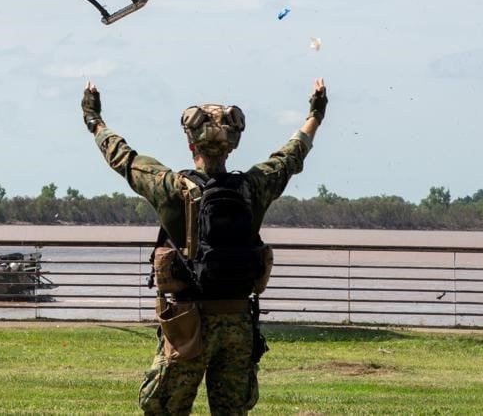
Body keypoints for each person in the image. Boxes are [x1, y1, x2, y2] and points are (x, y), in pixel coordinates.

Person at [81, 78, 328, 415]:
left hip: (188, 324)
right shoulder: (253, 187)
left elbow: (122, 157)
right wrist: (315, 114)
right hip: (238, 325)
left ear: (190, 145)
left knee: (165, 409)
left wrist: (93, 118)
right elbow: (291, 154)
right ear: (232, 147)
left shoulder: (168, 186)